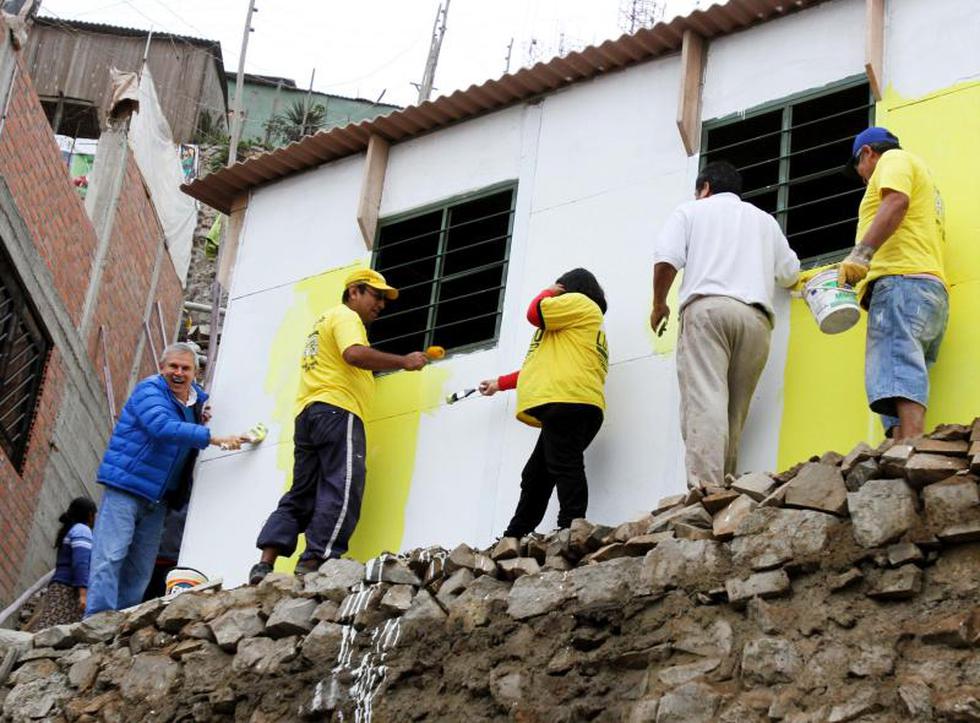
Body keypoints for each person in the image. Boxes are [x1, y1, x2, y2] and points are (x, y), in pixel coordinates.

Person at [249, 269, 429, 584]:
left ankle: (265, 563)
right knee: (344, 482)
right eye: (376, 296)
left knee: (302, 492)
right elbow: (354, 354)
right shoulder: (347, 318)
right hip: (337, 411)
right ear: (354, 292)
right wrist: (403, 361)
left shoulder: (323, 322)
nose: (381, 305)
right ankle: (318, 559)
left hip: (309, 413)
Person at [651, 161, 800, 490]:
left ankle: (706, 489)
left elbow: (666, 259)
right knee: (734, 411)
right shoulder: (765, 222)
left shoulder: (691, 212)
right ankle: (726, 488)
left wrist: (659, 303)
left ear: (704, 188)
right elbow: (790, 273)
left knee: (705, 399)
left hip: (708, 311)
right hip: (757, 321)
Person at [86, 343, 246, 615]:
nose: (179, 373)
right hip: (127, 486)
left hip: (159, 499)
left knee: (140, 569)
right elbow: (160, 426)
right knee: (109, 556)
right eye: (173, 366)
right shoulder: (149, 390)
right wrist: (211, 437)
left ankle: (119, 622)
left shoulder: (195, 404)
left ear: (196, 372)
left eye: (186, 368)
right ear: (162, 368)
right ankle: (96, 619)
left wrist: (199, 422)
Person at [479, 268, 609, 538]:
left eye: (562, 287)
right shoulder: (572, 326)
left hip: (568, 400)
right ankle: (515, 535)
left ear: (569, 288)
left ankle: (572, 526)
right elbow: (538, 368)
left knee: (563, 463)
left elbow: (534, 312)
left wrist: (550, 289)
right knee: (537, 474)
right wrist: (499, 383)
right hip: (575, 402)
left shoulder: (580, 303)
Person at [839, 127, 948, 441]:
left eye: (858, 166)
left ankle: (911, 447)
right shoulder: (924, 179)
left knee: (898, 364)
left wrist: (861, 254)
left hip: (902, 285)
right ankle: (901, 450)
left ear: (869, 153)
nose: (862, 177)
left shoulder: (895, 160)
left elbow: (896, 201)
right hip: (926, 290)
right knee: (899, 372)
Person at [24, 497, 97, 630]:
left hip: (60, 587)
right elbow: (80, 562)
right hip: (68, 590)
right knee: (49, 633)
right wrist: (83, 594)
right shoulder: (82, 530)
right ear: (90, 515)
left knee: (46, 630)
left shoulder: (71, 529)